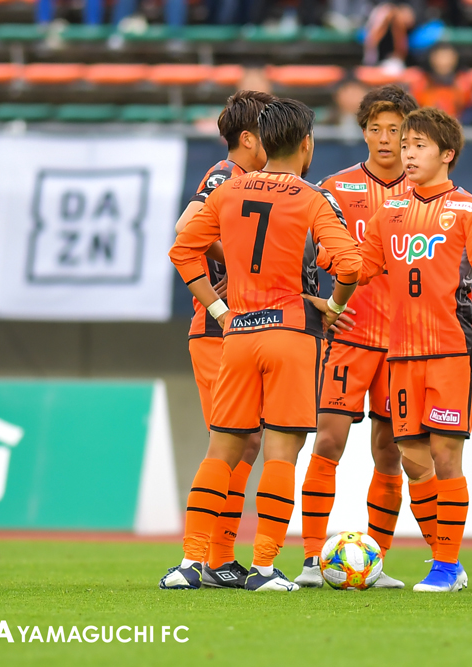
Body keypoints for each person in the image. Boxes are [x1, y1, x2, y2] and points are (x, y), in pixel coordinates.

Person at [165, 98, 362, 592]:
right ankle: (266, 569)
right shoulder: (312, 197)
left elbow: (183, 247)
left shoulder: (228, 191)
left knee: (221, 451)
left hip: (237, 335)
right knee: (280, 452)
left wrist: (220, 310)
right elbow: (350, 264)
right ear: (306, 144)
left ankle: (190, 564)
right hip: (291, 333)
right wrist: (333, 305)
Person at [356, 107, 472, 592]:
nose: (408, 154)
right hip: (401, 354)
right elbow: (362, 268)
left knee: (445, 455)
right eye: (405, 146)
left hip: (450, 352)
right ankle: (448, 560)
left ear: (447, 154)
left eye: (418, 145)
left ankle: (444, 566)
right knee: (413, 459)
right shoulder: (389, 212)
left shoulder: (469, 209)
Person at [294, 84, 420, 590]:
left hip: (404, 344)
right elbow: (297, 252)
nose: (385, 138)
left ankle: (377, 562)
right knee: (327, 440)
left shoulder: (428, 195)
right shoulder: (333, 188)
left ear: (409, 135)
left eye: (395, 130)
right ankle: (310, 559)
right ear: (362, 131)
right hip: (348, 336)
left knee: (389, 452)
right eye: (375, 128)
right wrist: (315, 302)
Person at [170, 90, 275, 588]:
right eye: (267, 130)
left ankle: (219, 558)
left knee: (247, 442)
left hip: (244, 329)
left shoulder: (258, 182)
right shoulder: (225, 175)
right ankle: (203, 558)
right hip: (218, 329)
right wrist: (235, 262)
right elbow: (184, 229)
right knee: (230, 440)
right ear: (249, 138)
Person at [411, 42, 472, 120]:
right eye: (440, 57)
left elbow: (469, 112)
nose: (444, 62)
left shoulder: (463, 83)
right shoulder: (421, 83)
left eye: (447, 57)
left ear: (455, 58)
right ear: (432, 58)